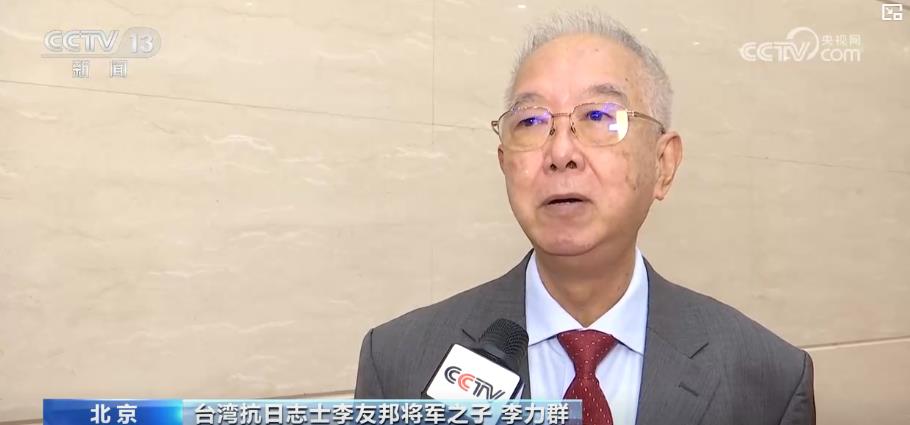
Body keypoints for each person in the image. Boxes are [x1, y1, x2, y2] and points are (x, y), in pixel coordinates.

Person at [354, 10, 815, 425]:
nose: (560, 152)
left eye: (598, 115)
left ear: (663, 164)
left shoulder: (768, 380)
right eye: (531, 122)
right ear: (504, 163)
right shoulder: (398, 364)